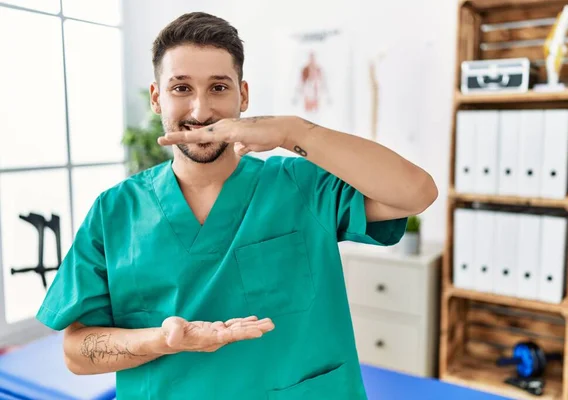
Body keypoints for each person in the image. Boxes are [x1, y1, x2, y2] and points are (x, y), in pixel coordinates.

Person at [36, 11, 438, 400]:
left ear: (242, 96)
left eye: (218, 87)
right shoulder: (114, 212)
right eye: (181, 88)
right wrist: (163, 340)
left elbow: (416, 192)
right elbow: (76, 352)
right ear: (157, 98)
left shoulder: (300, 185)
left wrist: (291, 130)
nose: (200, 110)